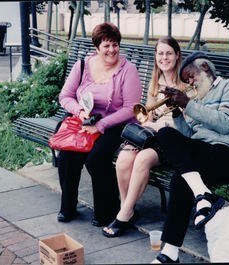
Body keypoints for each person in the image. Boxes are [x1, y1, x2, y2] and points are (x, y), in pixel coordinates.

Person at [151, 51, 229, 263]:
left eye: (191, 76)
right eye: (186, 80)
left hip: (226, 151)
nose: (190, 82)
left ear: (204, 68)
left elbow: (225, 124)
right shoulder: (198, 98)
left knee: (181, 177)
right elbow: (190, 136)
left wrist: (187, 104)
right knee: (165, 133)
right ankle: (203, 194)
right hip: (200, 150)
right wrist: (177, 113)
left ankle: (169, 252)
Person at [57, 22, 142, 227]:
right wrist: (79, 111)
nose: (112, 50)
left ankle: (107, 211)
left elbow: (131, 108)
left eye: (115, 45)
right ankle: (68, 205)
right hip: (85, 120)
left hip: (116, 123)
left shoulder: (127, 70)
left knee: (97, 159)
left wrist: (101, 125)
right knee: (68, 153)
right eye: (106, 46)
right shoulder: (83, 65)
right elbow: (65, 96)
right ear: (97, 48)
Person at [102, 36, 189, 237]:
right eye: (160, 53)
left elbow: (186, 123)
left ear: (177, 56)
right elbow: (148, 115)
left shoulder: (185, 83)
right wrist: (148, 120)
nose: (164, 57)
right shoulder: (155, 82)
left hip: (172, 139)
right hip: (151, 135)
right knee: (124, 159)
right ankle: (128, 209)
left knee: (141, 159)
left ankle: (122, 215)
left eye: (169, 53)